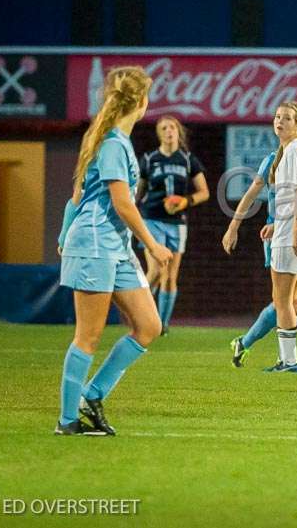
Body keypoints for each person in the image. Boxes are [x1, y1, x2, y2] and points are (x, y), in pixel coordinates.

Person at [55, 66, 173, 435]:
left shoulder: (113, 141)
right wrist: (153, 245)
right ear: (141, 102)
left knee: (149, 326)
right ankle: (67, 420)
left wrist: (62, 235)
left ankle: (92, 394)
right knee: (88, 335)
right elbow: (122, 204)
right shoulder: (110, 143)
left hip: (114, 246)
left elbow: (76, 196)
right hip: (95, 243)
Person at [225, 113, 297, 369]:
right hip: (290, 232)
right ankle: (267, 348)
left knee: (283, 300)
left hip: (290, 234)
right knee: (287, 299)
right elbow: (256, 193)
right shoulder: (280, 159)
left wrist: (286, 226)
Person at [136, 115, 209, 335]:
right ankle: (141, 316)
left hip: (177, 222)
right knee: (157, 270)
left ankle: (162, 325)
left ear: (178, 132)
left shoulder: (187, 160)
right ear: (159, 133)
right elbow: (138, 192)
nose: (169, 131)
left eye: (172, 128)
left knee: (170, 276)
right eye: (164, 128)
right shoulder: (149, 159)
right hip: (151, 219)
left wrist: (184, 201)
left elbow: (204, 192)